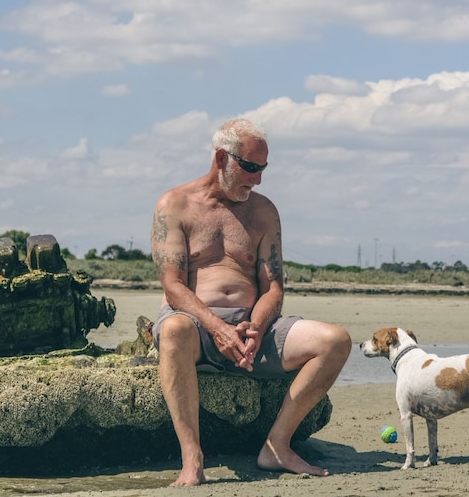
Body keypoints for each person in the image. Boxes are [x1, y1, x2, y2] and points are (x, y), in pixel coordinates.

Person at [150, 118, 352, 486]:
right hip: (197, 324)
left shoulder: (263, 211)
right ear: (222, 158)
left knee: (335, 340)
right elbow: (172, 286)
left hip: (252, 326)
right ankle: (193, 458)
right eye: (250, 168)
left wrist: (255, 329)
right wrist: (219, 329)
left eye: (263, 169)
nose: (257, 179)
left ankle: (276, 446)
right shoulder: (174, 205)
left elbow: (273, 286)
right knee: (175, 329)